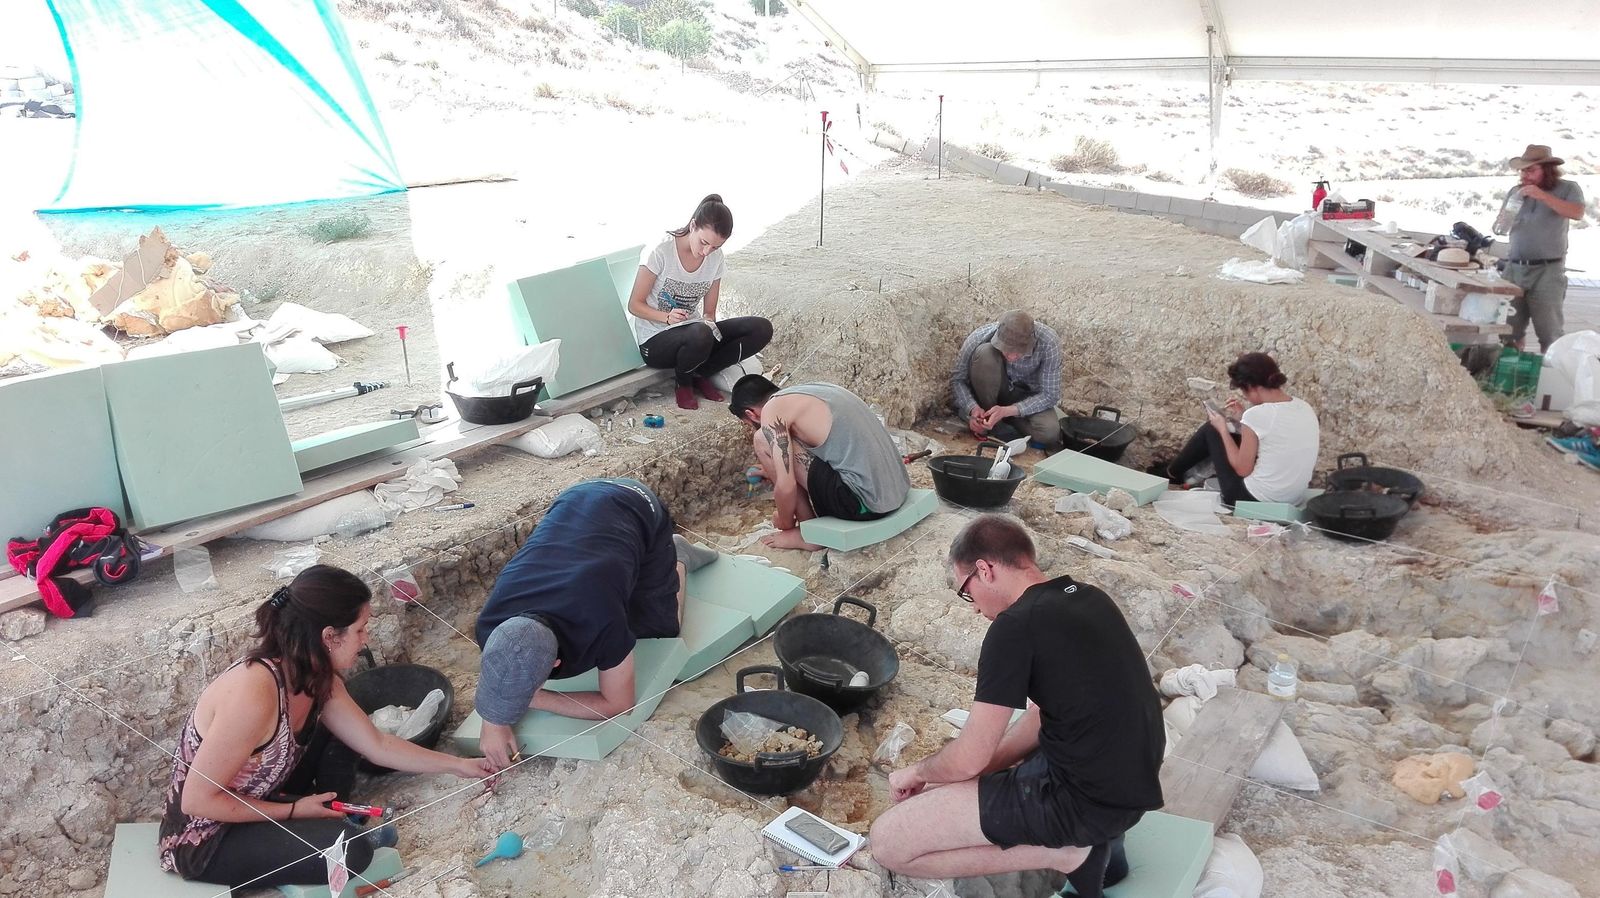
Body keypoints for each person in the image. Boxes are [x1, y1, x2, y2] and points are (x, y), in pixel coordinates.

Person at [870, 515, 1163, 896]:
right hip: (1126, 788)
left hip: (1082, 803)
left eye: (966, 591)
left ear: (984, 569)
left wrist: (920, 772)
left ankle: (1072, 855)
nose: (973, 607)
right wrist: (976, 773)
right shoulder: (1090, 598)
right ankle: (1102, 841)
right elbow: (1039, 719)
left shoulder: (1014, 627)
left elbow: (970, 754)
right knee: (958, 783)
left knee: (889, 841)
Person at [158, 566, 493, 889]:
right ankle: (332, 829)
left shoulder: (319, 680)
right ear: (330, 637)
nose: (366, 639)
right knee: (351, 851)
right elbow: (197, 802)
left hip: (263, 794)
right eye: (360, 629)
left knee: (345, 735)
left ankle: (325, 822)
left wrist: (460, 765)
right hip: (205, 837)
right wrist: (292, 811)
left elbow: (377, 744)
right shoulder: (254, 693)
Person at [473, 478, 719, 768]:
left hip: (636, 505)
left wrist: (533, 699)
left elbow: (618, 705)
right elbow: (502, 665)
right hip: (573, 503)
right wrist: (495, 722)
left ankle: (677, 557)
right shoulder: (489, 625)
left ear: (555, 664)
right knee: (616, 586)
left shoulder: (600, 623)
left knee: (659, 633)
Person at [728, 376, 911, 550]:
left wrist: (784, 521)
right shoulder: (810, 392)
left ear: (750, 414)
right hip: (897, 490)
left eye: (747, 423)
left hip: (864, 506)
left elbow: (786, 485)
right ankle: (810, 529)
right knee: (779, 448)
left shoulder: (771, 411)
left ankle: (810, 534)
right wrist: (772, 468)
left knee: (762, 439)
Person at [627, 194, 773, 410]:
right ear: (693, 225)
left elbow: (709, 313)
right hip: (656, 338)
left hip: (695, 335)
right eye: (704, 243)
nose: (706, 252)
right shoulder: (661, 251)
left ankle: (700, 373)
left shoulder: (715, 257)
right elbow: (634, 305)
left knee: (761, 328)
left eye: (714, 247)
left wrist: (709, 321)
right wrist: (666, 317)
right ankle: (683, 382)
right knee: (700, 333)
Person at [1160, 352, 1320, 508]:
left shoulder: (1258, 414)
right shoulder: (1304, 406)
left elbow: (1243, 469)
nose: (1246, 397)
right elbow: (1273, 438)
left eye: (1244, 392)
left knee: (1212, 430)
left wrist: (1222, 429)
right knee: (1232, 433)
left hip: (1252, 499)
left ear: (1250, 386)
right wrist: (1243, 419)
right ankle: (1174, 472)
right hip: (1293, 498)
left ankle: (1170, 474)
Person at [1492, 145, 1586, 354]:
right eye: (1523, 171)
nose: (1525, 175)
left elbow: (1577, 212)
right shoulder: (1515, 192)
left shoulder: (1568, 189)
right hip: (1514, 267)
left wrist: (1542, 196)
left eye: (1531, 170)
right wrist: (1502, 220)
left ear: (1548, 169)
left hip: (1548, 270)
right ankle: (1512, 374)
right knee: (1507, 327)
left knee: (1549, 332)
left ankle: (1549, 376)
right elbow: (1502, 224)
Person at [950, 309, 1063, 449]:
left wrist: (1008, 410)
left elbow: (1050, 394)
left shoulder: (1049, 343)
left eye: (1018, 352)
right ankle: (985, 418)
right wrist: (972, 408)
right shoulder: (980, 336)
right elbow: (958, 379)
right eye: (1007, 350)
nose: (1011, 357)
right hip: (991, 392)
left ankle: (1000, 420)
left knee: (1049, 432)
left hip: (1026, 395)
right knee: (985, 353)